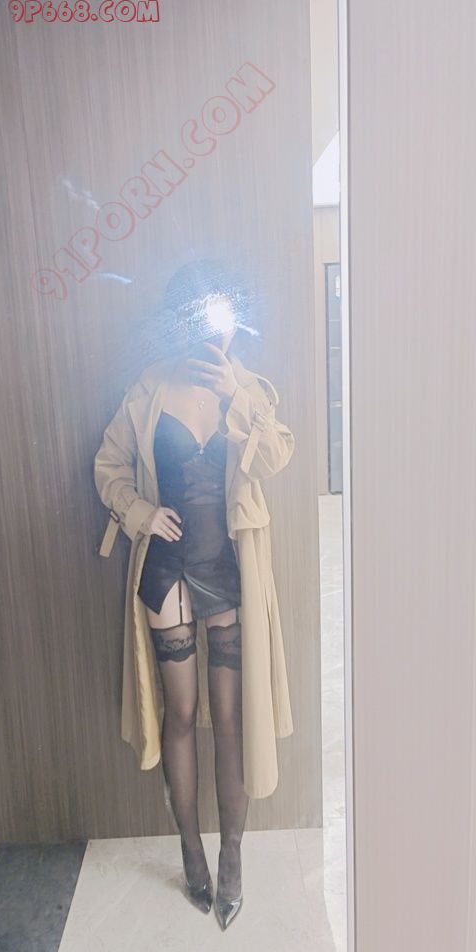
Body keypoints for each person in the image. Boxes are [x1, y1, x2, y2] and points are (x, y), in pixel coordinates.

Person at [94, 259, 295, 930]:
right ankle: (191, 849)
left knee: (230, 717)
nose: (215, 333)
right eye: (200, 318)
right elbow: (108, 465)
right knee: (180, 713)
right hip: (169, 568)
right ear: (180, 321)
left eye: (223, 318)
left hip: (230, 567)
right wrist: (139, 512)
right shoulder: (148, 387)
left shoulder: (248, 387)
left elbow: (276, 457)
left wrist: (237, 396)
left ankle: (232, 853)